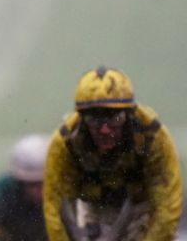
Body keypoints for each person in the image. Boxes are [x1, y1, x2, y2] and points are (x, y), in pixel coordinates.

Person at [43, 66, 183, 241]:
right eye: (94, 121)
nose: (104, 130)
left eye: (114, 120)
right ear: (82, 120)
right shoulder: (65, 142)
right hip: (94, 205)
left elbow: (166, 207)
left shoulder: (152, 136)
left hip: (142, 204)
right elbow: (55, 209)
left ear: (129, 116)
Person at [0, 134, 50, 241]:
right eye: (32, 184)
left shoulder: (65, 192)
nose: (39, 191)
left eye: (43, 183)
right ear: (19, 181)